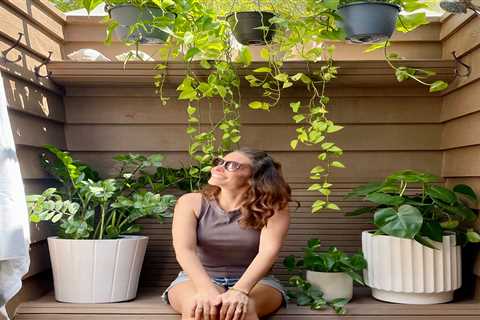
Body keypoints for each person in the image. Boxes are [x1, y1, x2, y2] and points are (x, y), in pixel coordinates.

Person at [161, 147, 291, 320]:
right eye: (220, 162)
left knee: (240, 311)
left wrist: (239, 290)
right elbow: (185, 250)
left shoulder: (274, 207)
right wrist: (205, 289)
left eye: (231, 165)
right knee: (199, 308)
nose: (218, 168)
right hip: (196, 279)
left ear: (254, 176)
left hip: (257, 282)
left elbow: (268, 252)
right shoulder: (189, 202)